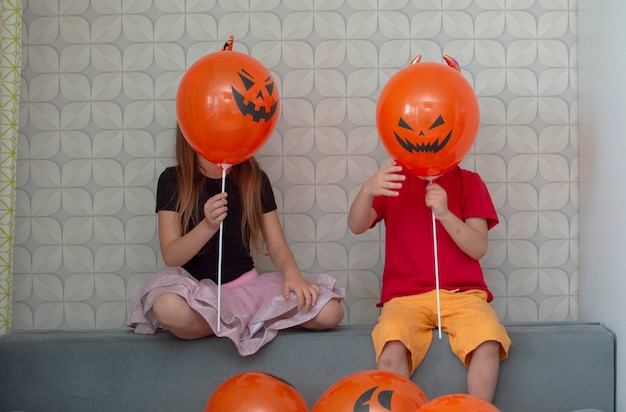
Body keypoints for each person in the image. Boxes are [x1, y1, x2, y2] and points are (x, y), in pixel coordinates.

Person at [127, 125, 345, 356]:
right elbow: (172, 255)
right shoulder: (172, 179)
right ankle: (247, 324)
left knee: (331, 312)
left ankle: (236, 323)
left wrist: (293, 275)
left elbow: (277, 245)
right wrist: (208, 225)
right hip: (195, 292)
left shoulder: (254, 178)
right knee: (168, 309)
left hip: (246, 290)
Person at [347, 161, 511, 403]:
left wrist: (444, 214)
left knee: (488, 341)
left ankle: (478, 410)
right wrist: (367, 191)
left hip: (463, 295)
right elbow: (356, 225)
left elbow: (478, 247)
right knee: (391, 352)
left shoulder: (470, 182)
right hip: (404, 299)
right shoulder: (395, 181)